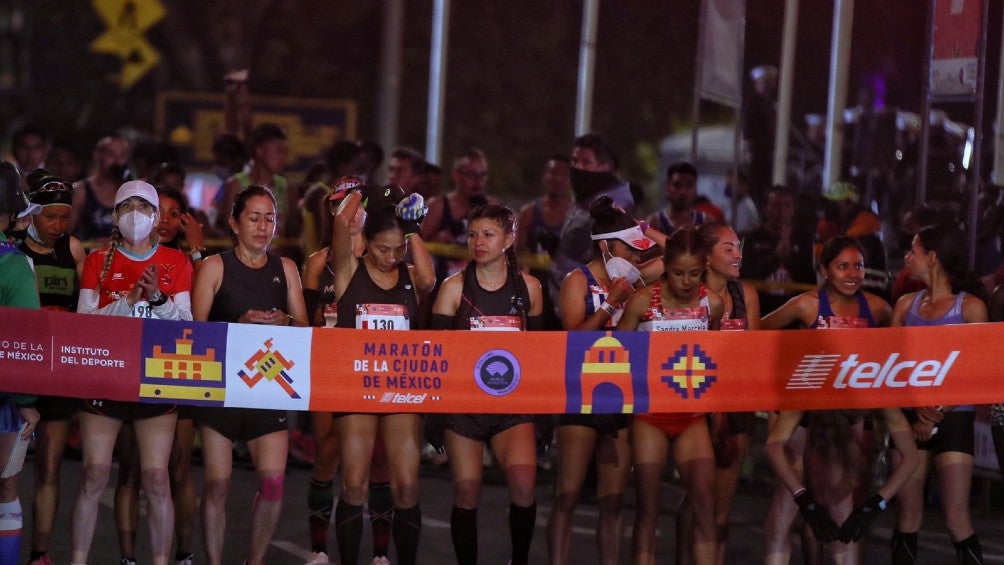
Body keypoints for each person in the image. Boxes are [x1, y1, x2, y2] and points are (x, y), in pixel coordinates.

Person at [72, 180, 193, 565]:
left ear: (157, 216)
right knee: (94, 473)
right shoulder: (96, 260)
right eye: (127, 208)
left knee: (157, 478)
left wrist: (157, 299)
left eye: (144, 208)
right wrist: (128, 301)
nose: (136, 216)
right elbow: (84, 324)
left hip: (156, 379)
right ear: (114, 216)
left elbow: (187, 324)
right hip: (104, 378)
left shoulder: (176, 263)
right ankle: (77, 559)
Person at [191, 185, 309, 565]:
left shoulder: (286, 268)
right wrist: (237, 323)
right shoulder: (214, 267)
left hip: (268, 388)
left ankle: (253, 561)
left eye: (270, 219)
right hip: (222, 390)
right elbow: (195, 331)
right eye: (254, 218)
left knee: (273, 483)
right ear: (234, 223)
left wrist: (285, 320)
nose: (263, 226)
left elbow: (305, 328)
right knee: (218, 484)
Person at [760, 236, 893, 564]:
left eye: (858, 266)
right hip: (802, 412)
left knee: (841, 502)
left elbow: (899, 349)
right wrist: (784, 374)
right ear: (825, 271)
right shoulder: (807, 304)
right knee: (787, 500)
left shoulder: (877, 308)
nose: (852, 274)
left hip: (846, 415)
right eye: (843, 266)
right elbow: (760, 330)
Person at [431, 203, 544, 565]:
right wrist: (435, 415)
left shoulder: (530, 289)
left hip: (513, 408)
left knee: (525, 489)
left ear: (509, 239)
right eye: (473, 234)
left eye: (488, 234)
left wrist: (544, 415)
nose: (478, 242)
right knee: (466, 491)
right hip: (465, 409)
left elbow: (542, 354)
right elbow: (437, 357)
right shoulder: (452, 289)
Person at [330, 189, 435, 565]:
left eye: (398, 249)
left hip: (401, 388)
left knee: (406, 487)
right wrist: (366, 193)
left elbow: (428, 280)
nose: (391, 258)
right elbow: (342, 223)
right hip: (357, 387)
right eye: (382, 249)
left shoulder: (408, 275)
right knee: (354, 484)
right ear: (365, 245)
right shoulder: (348, 271)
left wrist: (412, 229)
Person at [549, 195, 655, 565]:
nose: (639, 258)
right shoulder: (576, 282)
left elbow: (685, 256)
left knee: (613, 501)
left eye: (641, 252)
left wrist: (641, 227)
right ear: (606, 246)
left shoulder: (637, 279)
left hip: (623, 395)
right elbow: (575, 340)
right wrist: (611, 304)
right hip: (581, 395)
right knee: (568, 495)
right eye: (632, 249)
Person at [617, 226, 724, 565]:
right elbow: (618, 352)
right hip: (650, 414)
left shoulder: (714, 304)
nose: (687, 281)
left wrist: (717, 411)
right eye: (679, 272)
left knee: (705, 507)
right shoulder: (643, 301)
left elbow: (716, 357)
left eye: (695, 273)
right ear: (665, 267)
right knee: (648, 510)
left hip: (692, 417)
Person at [890, 224, 988, 564]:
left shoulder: (971, 308)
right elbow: (892, 368)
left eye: (912, 250)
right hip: (910, 416)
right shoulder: (904, 305)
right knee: (907, 515)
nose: (906, 257)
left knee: (956, 517)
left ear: (932, 258)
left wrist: (937, 411)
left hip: (954, 419)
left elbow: (975, 370)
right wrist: (918, 410)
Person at [14, 175, 86, 565]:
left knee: (50, 467)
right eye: (51, 217)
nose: (59, 225)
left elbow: (89, 305)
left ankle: (39, 552)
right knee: (9, 468)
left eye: (65, 217)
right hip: (18, 368)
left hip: (56, 371)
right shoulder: (11, 252)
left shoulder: (73, 250)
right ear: (33, 214)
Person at [693, 222, 761, 565]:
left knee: (721, 509)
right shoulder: (688, 293)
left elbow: (755, 357)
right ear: (706, 257)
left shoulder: (746, 295)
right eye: (729, 248)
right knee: (698, 505)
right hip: (695, 406)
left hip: (735, 407)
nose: (738, 254)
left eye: (739, 246)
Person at [0, 161, 42, 565]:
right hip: (3, 401)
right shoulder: (13, 265)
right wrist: (27, 400)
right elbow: (24, 341)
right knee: (6, 488)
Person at [742, 185, 816, 316]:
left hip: (794, 310)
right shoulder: (752, 238)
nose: (781, 211)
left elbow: (808, 279)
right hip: (760, 307)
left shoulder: (803, 239)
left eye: (787, 206)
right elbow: (747, 276)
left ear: (793, 209)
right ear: (765, 208)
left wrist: (788, 256)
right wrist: (776, 255)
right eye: (775, 205)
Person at [517, 154, 572, 331]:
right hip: (536, 285)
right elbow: (518, 252)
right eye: (553, 173)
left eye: (563, 174)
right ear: (545, 176)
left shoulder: (579, 215)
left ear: (570, 179)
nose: (557, 179)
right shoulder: (529, 212)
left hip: (568, 286)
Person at [421, 147, 492, 280]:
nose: (477, 181)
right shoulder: (438, 206)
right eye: (471, 174)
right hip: (442, 286)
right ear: (456, 175)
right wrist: (435, 242)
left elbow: (510, 248)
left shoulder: (492, 208)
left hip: (480, 289)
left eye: (482, 175)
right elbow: (414, 246)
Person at [69, 133, 131, 241]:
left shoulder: (134, 192)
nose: (117, 161)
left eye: (122, 155)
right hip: (89, 254)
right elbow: (65, 234)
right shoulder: (80, 191)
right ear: (97, 156)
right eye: (111, 154)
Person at [646, 161, 707, 234]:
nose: (683, 191)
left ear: (695, 189)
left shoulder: (707, 223)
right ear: (668, 188)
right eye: (677, 185)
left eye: (689, 185)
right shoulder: (653, 223)